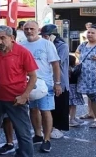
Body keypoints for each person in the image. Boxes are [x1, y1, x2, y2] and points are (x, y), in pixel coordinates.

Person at [0, 25, 37, 157]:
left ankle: (25, 155)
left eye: (3, 38)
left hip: (16, 98)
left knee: (22, 131)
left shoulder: (23, 52)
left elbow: (33, 76)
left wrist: (25, 96)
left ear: (12, 38)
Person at [21, 21, 61, 153]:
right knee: (33, 110)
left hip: (46, 83)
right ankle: (38, 135)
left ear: (38, 29)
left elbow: (55, 65)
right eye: (26, 29)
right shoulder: (21, 45)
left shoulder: (47, 44)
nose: (29, 31)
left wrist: (57, 83)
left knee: (45, 110)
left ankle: (47, 139)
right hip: (28, 83)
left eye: (32, 28)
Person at [40, 24, 70, 139]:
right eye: (43, 36)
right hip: (47, 80)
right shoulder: (43, 44)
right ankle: (49, 127)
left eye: (46, 35)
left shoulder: (62, 46)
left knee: (60, 105)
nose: (44, 38)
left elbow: (56, 61)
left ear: (54, 35)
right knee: (48, 106)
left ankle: (58, 128)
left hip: (60, 80)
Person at [68, 55, 85, 127]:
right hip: (73, 88)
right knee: (73, 105)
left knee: (70, 105)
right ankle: (71, 119)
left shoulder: (66, 69)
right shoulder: (72, 70)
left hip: (69, 88)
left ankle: (72, 118)